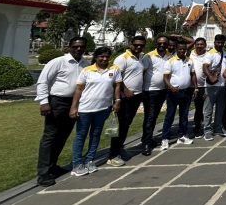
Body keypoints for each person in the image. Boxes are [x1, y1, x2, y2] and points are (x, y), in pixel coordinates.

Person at [35, 37, 89, 186]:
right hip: (57, 102)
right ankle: (43, 173)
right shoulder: (58, 62)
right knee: (50, 136)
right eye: (76, 46)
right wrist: (44, 102)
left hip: (74, 103)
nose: (79, 49)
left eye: (82, 46)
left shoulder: (85, 64)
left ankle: (53, 166)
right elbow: (43, 81)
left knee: (63, 135)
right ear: (69, 47)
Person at [69, 47, 123, 176]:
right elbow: (79, 90)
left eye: (107, 57)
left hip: (103, 109)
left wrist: (117, 100)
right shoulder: (87, 70)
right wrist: (74, 107)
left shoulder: (114, 69)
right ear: (96, 57)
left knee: (96, 135)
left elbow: (117, 86)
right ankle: (77, 164)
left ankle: (89, 160)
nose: (104, 59)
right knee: (81, 136)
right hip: (85, 109)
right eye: (101, 56)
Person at [108, 35, 147, 166]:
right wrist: (125, 90)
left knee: (127, 124)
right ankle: (113, 155)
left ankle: (120, 148)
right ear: (130, 44)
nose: (138, 47)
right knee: (120, 125)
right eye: (136, 45)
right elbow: (115, 77)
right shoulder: (122, 58)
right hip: (124, 97)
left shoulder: (140, 58)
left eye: (141, 45)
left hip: (136, 96)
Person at [160, 42, 198, 149]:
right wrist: (171, 87)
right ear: (177, 49)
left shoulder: (190, 60)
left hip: (186, 92)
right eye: (180, 49)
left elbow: (193, 74)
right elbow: (165, 78)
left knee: (184, 115)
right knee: (170, 115)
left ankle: (182, 136)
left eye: (184, 49)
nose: (182, 51)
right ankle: (165, 139)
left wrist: (196, 87)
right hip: (173, 92)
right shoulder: (170, 61)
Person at [141, 34, 172, 155]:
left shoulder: (170, 56)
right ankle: (146, 143)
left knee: (154, 116)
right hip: (150, 91)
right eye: (160, 43)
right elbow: (142, 72)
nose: (162, 45)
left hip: (163, 90)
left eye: (164, 43)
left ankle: (147, 138)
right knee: (150, 116)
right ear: (156, 44)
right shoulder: (148, 56)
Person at [202, 34, 226, 140]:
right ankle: (207, 130)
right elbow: (205, 67)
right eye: (218, 42)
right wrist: (210, 77)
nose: (220, 44)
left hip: (222, 85)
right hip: (211, 86)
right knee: (208, 110)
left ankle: (217, 128)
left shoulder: (225, 53)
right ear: (214, 42)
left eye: (222, 42)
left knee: (220, 109)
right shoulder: (210, 54)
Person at [189, 37, 208, 138]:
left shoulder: (208, 55)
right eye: (198, 44)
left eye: (202, 44)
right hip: (192, 86)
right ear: (195, 45)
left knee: (203, 109)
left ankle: (201, 127)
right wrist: (180, 37)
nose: (199, 46)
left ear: (205, 45)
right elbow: (190, 41)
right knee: (194, 108)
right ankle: (195, 128)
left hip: (204, 86)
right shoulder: (190, 53)